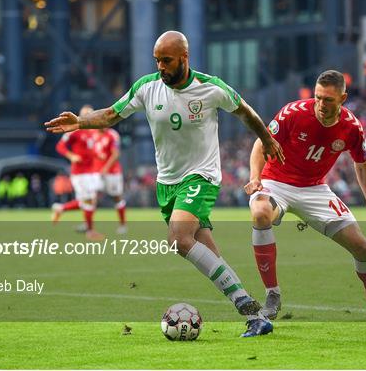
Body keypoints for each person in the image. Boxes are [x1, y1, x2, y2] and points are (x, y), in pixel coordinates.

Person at [45, 30, 285, 337]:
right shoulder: (146, 87)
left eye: (167, 60)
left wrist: (266, 139)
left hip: (201, 176)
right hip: (167, 183)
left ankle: (250, 311)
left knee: (178, 238)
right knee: (208, 253)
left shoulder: (210, 88)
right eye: (157, 60)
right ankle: (252, 313)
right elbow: (110, 115)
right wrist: (79, 122)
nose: (161, 66)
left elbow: (245, 112)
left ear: (184, 58)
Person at [244, 70, 366, 322]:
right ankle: (272, 294)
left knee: (362, 246)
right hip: (276, 182)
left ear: (342, 98)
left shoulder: (352, 127)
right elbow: (260, 143)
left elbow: (362, 164)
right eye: (318, 97)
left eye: (328, 100)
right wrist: (255, 178)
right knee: (261, 213)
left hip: (315, 189)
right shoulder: (293, 112)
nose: (321, 104)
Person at [51, 105, 103, 241]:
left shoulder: (93, 131)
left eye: (91, 113)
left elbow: (90, 150)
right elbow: (60, 146)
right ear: (80, 115)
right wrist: (71, 156)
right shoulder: (75, 130)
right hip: (80, 173)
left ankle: (61, 208)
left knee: (88, 201)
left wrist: (98, 154)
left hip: (92, 171)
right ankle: (90, 231)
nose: (89, 115)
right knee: (88, 200)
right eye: (86, 113)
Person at [93, 127, 127, 234]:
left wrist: (106, 168)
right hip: (96, 172)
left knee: (116, 197)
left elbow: (116, 154)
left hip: (112, 172)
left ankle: (122, 225)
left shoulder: (112, 134)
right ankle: (89, 226)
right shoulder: (93, 134)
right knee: (92, 197)